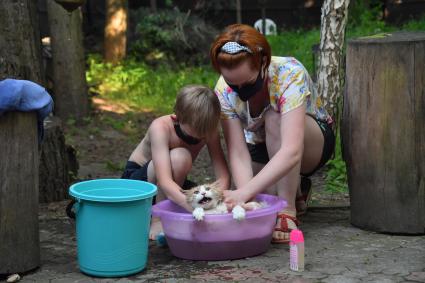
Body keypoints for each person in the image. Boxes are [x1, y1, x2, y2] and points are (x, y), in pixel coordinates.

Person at [209, 24, 335, 243]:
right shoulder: (222, 89)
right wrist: (246, 198)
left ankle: (288, 208)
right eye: (233, 84)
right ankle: (298, 189)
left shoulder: (289, 73)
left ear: (263, 62)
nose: (240, 90)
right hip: (262, 146)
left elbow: (292, 151)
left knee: (273, 117)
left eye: (247, 83)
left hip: (309, 143)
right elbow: (238, 151)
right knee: (263, 197)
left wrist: (243, 191)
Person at [121, 85, 230, 240]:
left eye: (203, 134)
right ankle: (159, 217)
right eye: (194, 134)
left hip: (173, 187)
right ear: (177, 118)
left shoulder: (208, 129)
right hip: (139, 185)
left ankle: (171, 211)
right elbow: (164, 181)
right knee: (180, 157)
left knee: (201, 194)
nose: (199, 138)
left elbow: (223, 176)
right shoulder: (161, 127)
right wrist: (193, 209)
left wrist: (216, 202)